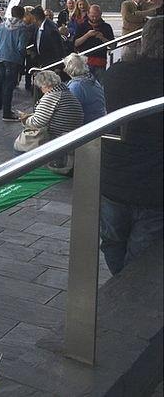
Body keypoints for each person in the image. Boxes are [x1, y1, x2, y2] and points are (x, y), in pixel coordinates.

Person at [99, 17, 163, 275]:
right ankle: (125, 293)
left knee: (113, 241)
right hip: (154, 185)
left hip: (114, 175)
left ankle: (120, 285)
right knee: (143, 253)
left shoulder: (117, 74)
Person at [16, 70, 84, 157]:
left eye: (41, 87)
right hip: (69, 134)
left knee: (20, 147)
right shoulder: (66, 93)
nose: (41, 90)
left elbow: (37, 122)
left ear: (45, 85)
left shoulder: (52, 97)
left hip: (56, 137)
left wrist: (25, 119)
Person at [0, 6, 30, 121]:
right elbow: (21, 46)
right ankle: (6, 113)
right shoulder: (22, 27)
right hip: (12, 59)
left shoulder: (2, 25)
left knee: (2, 83)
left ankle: (0, 107)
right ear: (22, 15)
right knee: (9, 85)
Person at [73, 4, 113, 83]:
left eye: (97, 16)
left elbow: (113, 45)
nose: (94, 19)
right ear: (88, 14)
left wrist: (102, 38)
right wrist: (87, 35)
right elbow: (75, 43)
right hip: (85, 62)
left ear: (100, 14)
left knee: (100, 86)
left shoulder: (106, 27)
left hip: (100, 62)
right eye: (92, 16)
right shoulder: (82, 26)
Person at [63, 53, 106, 125]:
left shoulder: (76, 86)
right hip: (99, 121)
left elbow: (69, 111)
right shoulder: (93, 81)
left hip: (88, 126)